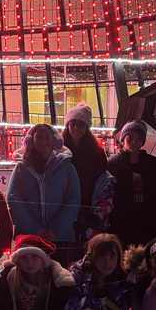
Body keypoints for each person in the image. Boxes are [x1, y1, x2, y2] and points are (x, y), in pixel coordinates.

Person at [7, 124, 81, 266]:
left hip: (60, 237)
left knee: (59, 278)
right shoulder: (21, 168)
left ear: (54, 141)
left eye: (46, 137)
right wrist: (36, 230)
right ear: (31, 140)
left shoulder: (66, 167)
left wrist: (56, 228)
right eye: (39, 137)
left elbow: (73, 199)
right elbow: (14, 199)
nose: (43, 141)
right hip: (29, 237)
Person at [107, 120, 156, 249]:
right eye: (130, 137)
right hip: (121, 219)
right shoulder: (113, 163)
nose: (135, 141)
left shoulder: (154, 163)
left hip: (148, 219)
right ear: (123, 139)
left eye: (139, 138)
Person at [62, 103, 115, 245]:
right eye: (73, 124)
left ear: (87, 128)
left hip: (89, 203)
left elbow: (101, 178)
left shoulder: (96, 152)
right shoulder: (60, 149)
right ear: (67, 125)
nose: (76, 128)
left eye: (81, 125)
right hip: (65, 202)